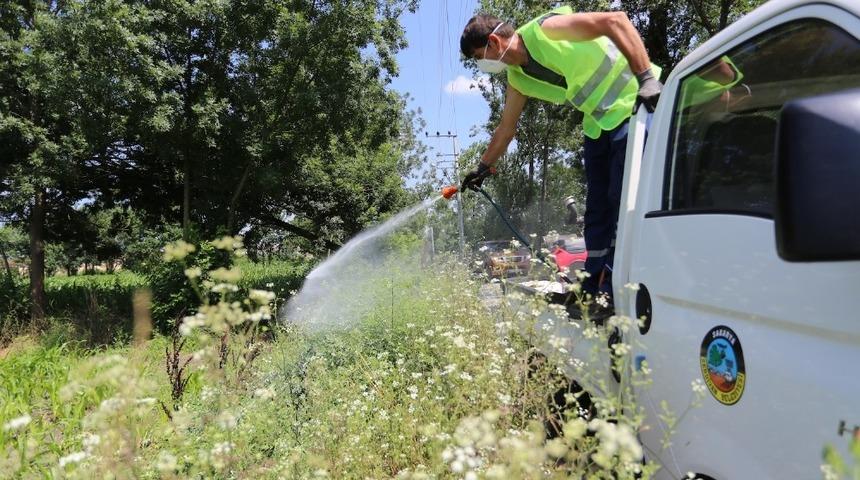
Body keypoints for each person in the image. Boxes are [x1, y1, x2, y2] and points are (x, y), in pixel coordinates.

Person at [459, 6, 662, 305]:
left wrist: (646, 78)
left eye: (478, 57)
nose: (481, 65)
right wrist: (482, 168)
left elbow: (615, 20)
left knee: (622, 199)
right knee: (596, 213)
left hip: (634, 103)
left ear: (494, 42)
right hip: (599, 123)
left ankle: (620, 286)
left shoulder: (546, 29)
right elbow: (505, 129)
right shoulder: (518, 78)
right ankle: (593, 287)